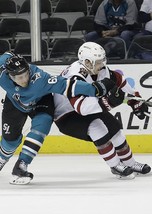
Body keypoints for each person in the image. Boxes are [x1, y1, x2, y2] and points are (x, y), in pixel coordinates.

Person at [0, 52, 115, 185]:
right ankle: (2, 159)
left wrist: (94, 89)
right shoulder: (2, 73)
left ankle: (22, 164)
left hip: (41, 100)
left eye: (26, 74)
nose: (24, 80)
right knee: (10, 142)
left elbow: (67, 85)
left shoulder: (40, 79)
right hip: (14, 103)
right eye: (19, 77)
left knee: (42, 125)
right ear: (9, 75)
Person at [53, 42, 152, 180]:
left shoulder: (98, 68)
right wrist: (109, 102)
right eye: (98, 62)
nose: (102, 64)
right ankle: (115, 166)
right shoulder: (74, 76)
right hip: (66, 115)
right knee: (97, 128)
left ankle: (131, 163)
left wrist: (135, 101)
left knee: (114, 129)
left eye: (102, 60)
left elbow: (119, 80)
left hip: (88, 107)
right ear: (87, 62)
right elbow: (82, 108)